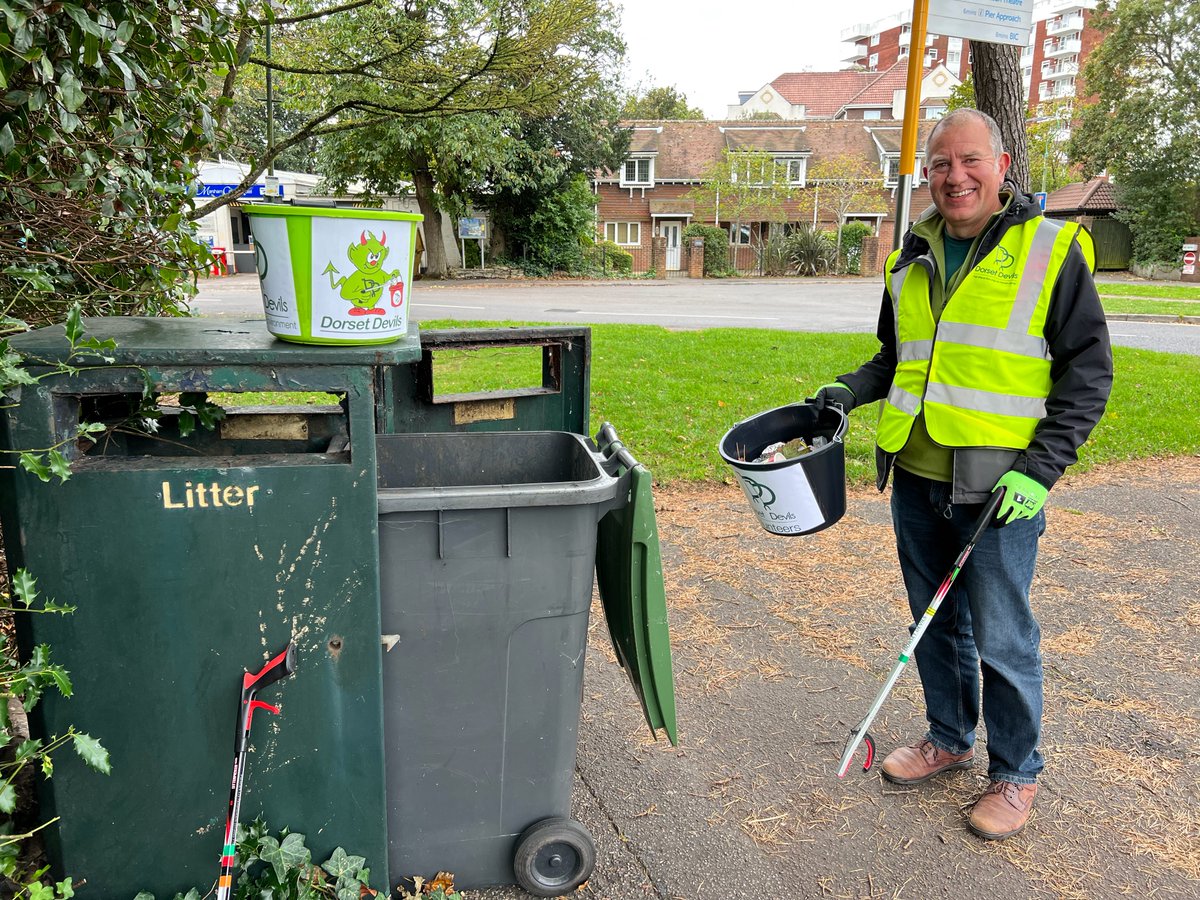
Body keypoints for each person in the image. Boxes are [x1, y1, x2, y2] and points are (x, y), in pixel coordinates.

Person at [813, 108, 1112, 840]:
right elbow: (897, 358)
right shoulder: (909, 255)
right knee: (935, 625)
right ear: (927, 174)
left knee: (1004, 636)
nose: (956, 177)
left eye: (970, 161)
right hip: (915, 477)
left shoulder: (1051, 250)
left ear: (1002, 167)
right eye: (941, 164)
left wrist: (1040, 471)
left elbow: (1089, 375)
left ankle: (1016, 775)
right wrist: (848, 391)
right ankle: (948, 738)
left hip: (1000, 491)